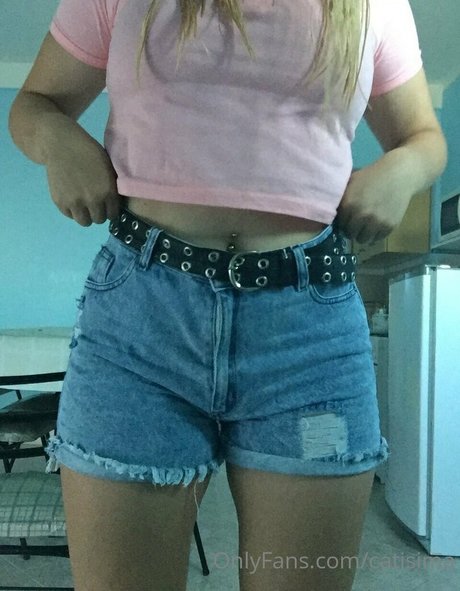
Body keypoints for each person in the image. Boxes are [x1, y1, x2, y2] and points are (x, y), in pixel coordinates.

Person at [9, 1, 447, 590]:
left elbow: (425, 138)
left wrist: (403, 169)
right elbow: (34, 104)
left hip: (308, 334)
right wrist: (58, 140)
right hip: (140, 325)